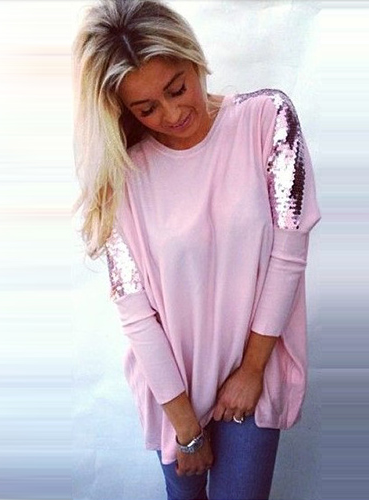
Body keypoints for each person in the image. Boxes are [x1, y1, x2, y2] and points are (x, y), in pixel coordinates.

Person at [72, 1, 321, 499]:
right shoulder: (125, 174)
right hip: (172, 389)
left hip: (255, 368)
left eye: (177, 88)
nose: (172, 115)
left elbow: (288, 255)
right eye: (146, 109)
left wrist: (252, 371)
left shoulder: (266, 119)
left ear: (193, 58)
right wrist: (185, 426)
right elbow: (136, 314)